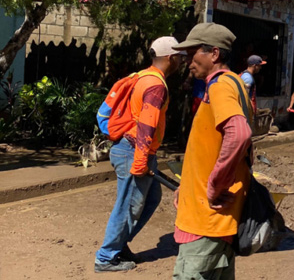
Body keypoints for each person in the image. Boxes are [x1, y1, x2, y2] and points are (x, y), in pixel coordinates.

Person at [94, 37, 186, 273]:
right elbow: (146, 125)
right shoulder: (156, 86)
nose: (181, 62)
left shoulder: (143, 76)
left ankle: (119, 244)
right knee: (128, 206)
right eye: (179, 57)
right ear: (170, 58)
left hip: (132, 148)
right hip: (134, 150)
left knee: (150, 199)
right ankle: (106, 257)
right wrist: (142, 161)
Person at [171, 22, 253, 279]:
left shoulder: (220, 85)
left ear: (214, 54)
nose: (188, 61)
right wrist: (186, 186)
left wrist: (216, 185)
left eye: (192, 53)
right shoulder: (236, 84)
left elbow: (239, 134)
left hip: (205, 220)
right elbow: (211, 145)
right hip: (216, 220)